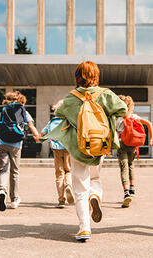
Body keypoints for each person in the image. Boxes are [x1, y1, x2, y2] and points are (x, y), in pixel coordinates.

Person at [42, 61, 128, 241]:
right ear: (96, 76)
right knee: (95, 178)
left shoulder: (70, 98)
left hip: (78, 147)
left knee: (80, 187)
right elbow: (123, 109)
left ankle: (84, 228)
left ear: (77, 76)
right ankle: (95, 195)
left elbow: (59, 116)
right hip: (99, 145)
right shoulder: (105, 94)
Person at [0, 91, 39, 211]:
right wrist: (37, 136)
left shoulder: (4, 110)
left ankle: (2, 191)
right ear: (21, 100)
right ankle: (14, 200)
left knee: (3, 170)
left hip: (2, 143)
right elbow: (30, 125)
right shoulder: (23, 111)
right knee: (15, 172)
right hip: (16, 145)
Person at [116, 95, 153, 208]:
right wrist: (151, 138)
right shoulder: (134, 116)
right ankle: (132, 188)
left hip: (122, 144)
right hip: (132, 144)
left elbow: (113, 132)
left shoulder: (118, 118)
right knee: (131, 165)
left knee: (124, 166)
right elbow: (149, 124)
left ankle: (126, 192)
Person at [38, 100, 74, 208]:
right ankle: (68, 185)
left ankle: (61, 200)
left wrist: (40, 137)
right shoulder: (69, 121)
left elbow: (42, 134)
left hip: (56, 149)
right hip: (68, 148)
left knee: (59, 173)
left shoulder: (51, 121)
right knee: (68, 170)